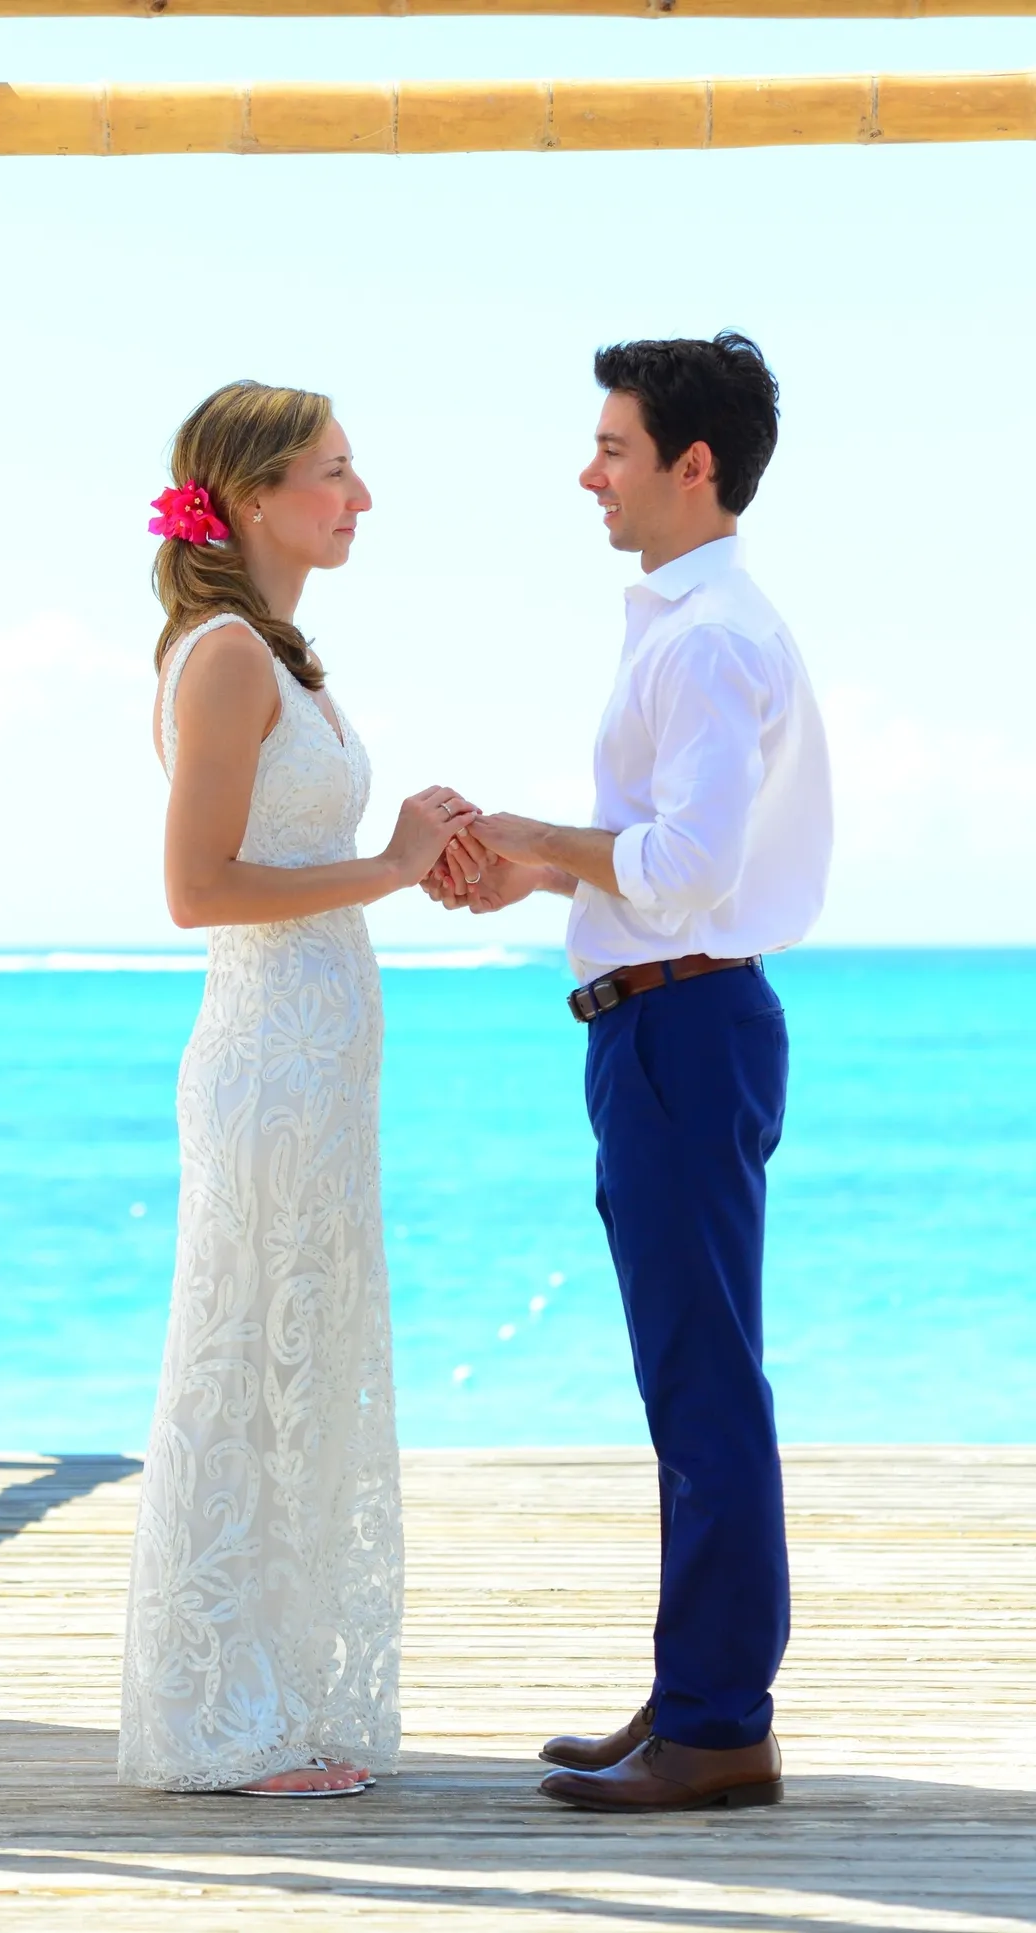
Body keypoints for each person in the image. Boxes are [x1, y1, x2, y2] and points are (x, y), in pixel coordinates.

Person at [425, 333, 832, 1811]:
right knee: (689, 1378)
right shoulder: (682, 620)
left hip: (681, 1030)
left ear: (692, 464)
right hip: (666, 1022)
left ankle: (720, 1724)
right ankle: (694, 1699)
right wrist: (540, 876)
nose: (587, 470)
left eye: (612, 444)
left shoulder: (708, 636)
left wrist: (539, 838)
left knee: (703, 1379)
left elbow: (687, 868)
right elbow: (661, 869)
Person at [119, 380, 477, 1799]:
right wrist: (389, 867)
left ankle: (266, 1691)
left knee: (299, 1364)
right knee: (242, 1361)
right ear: (256, 495)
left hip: (321, 1067)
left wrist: (424, 857)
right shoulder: (222, 659)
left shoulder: (286, 654)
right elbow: (195, 890)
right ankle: (216, 1720)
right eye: (336, 471)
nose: (361, 497)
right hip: (267, 1066)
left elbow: (300, 856)